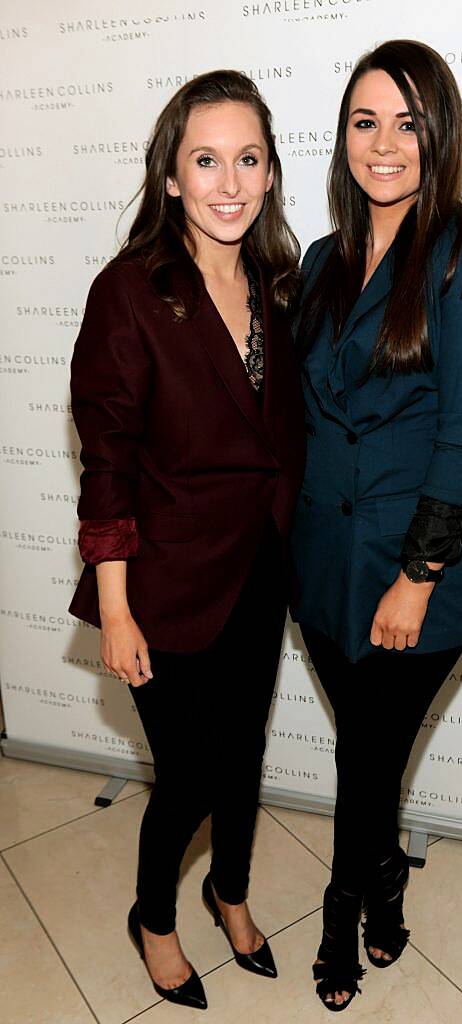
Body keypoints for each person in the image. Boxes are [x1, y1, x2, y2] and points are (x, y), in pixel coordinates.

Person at [69, 70, 305, 1010]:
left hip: (259, 567)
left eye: (249, 158)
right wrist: (116, 610)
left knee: (244, 750)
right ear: (171, 176)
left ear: (273, 171)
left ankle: (230, 891)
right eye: (206, 160)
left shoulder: (276, 282)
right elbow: (108, 465)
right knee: (191, 773)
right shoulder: (130, 292)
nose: (230, 182)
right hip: (161, 588)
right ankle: (153, 917)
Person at [291, 39, 462, 1011]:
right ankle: (387, 881)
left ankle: (343, 913)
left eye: (406, 122)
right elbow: (300, 417)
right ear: (342, 135)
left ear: (439, 135)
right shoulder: (318, 259)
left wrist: (415, 578)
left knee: (359, 758)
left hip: (405, 579)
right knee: (370, 756)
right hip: (322, 572)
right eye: (363, 120)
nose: (383, 143)